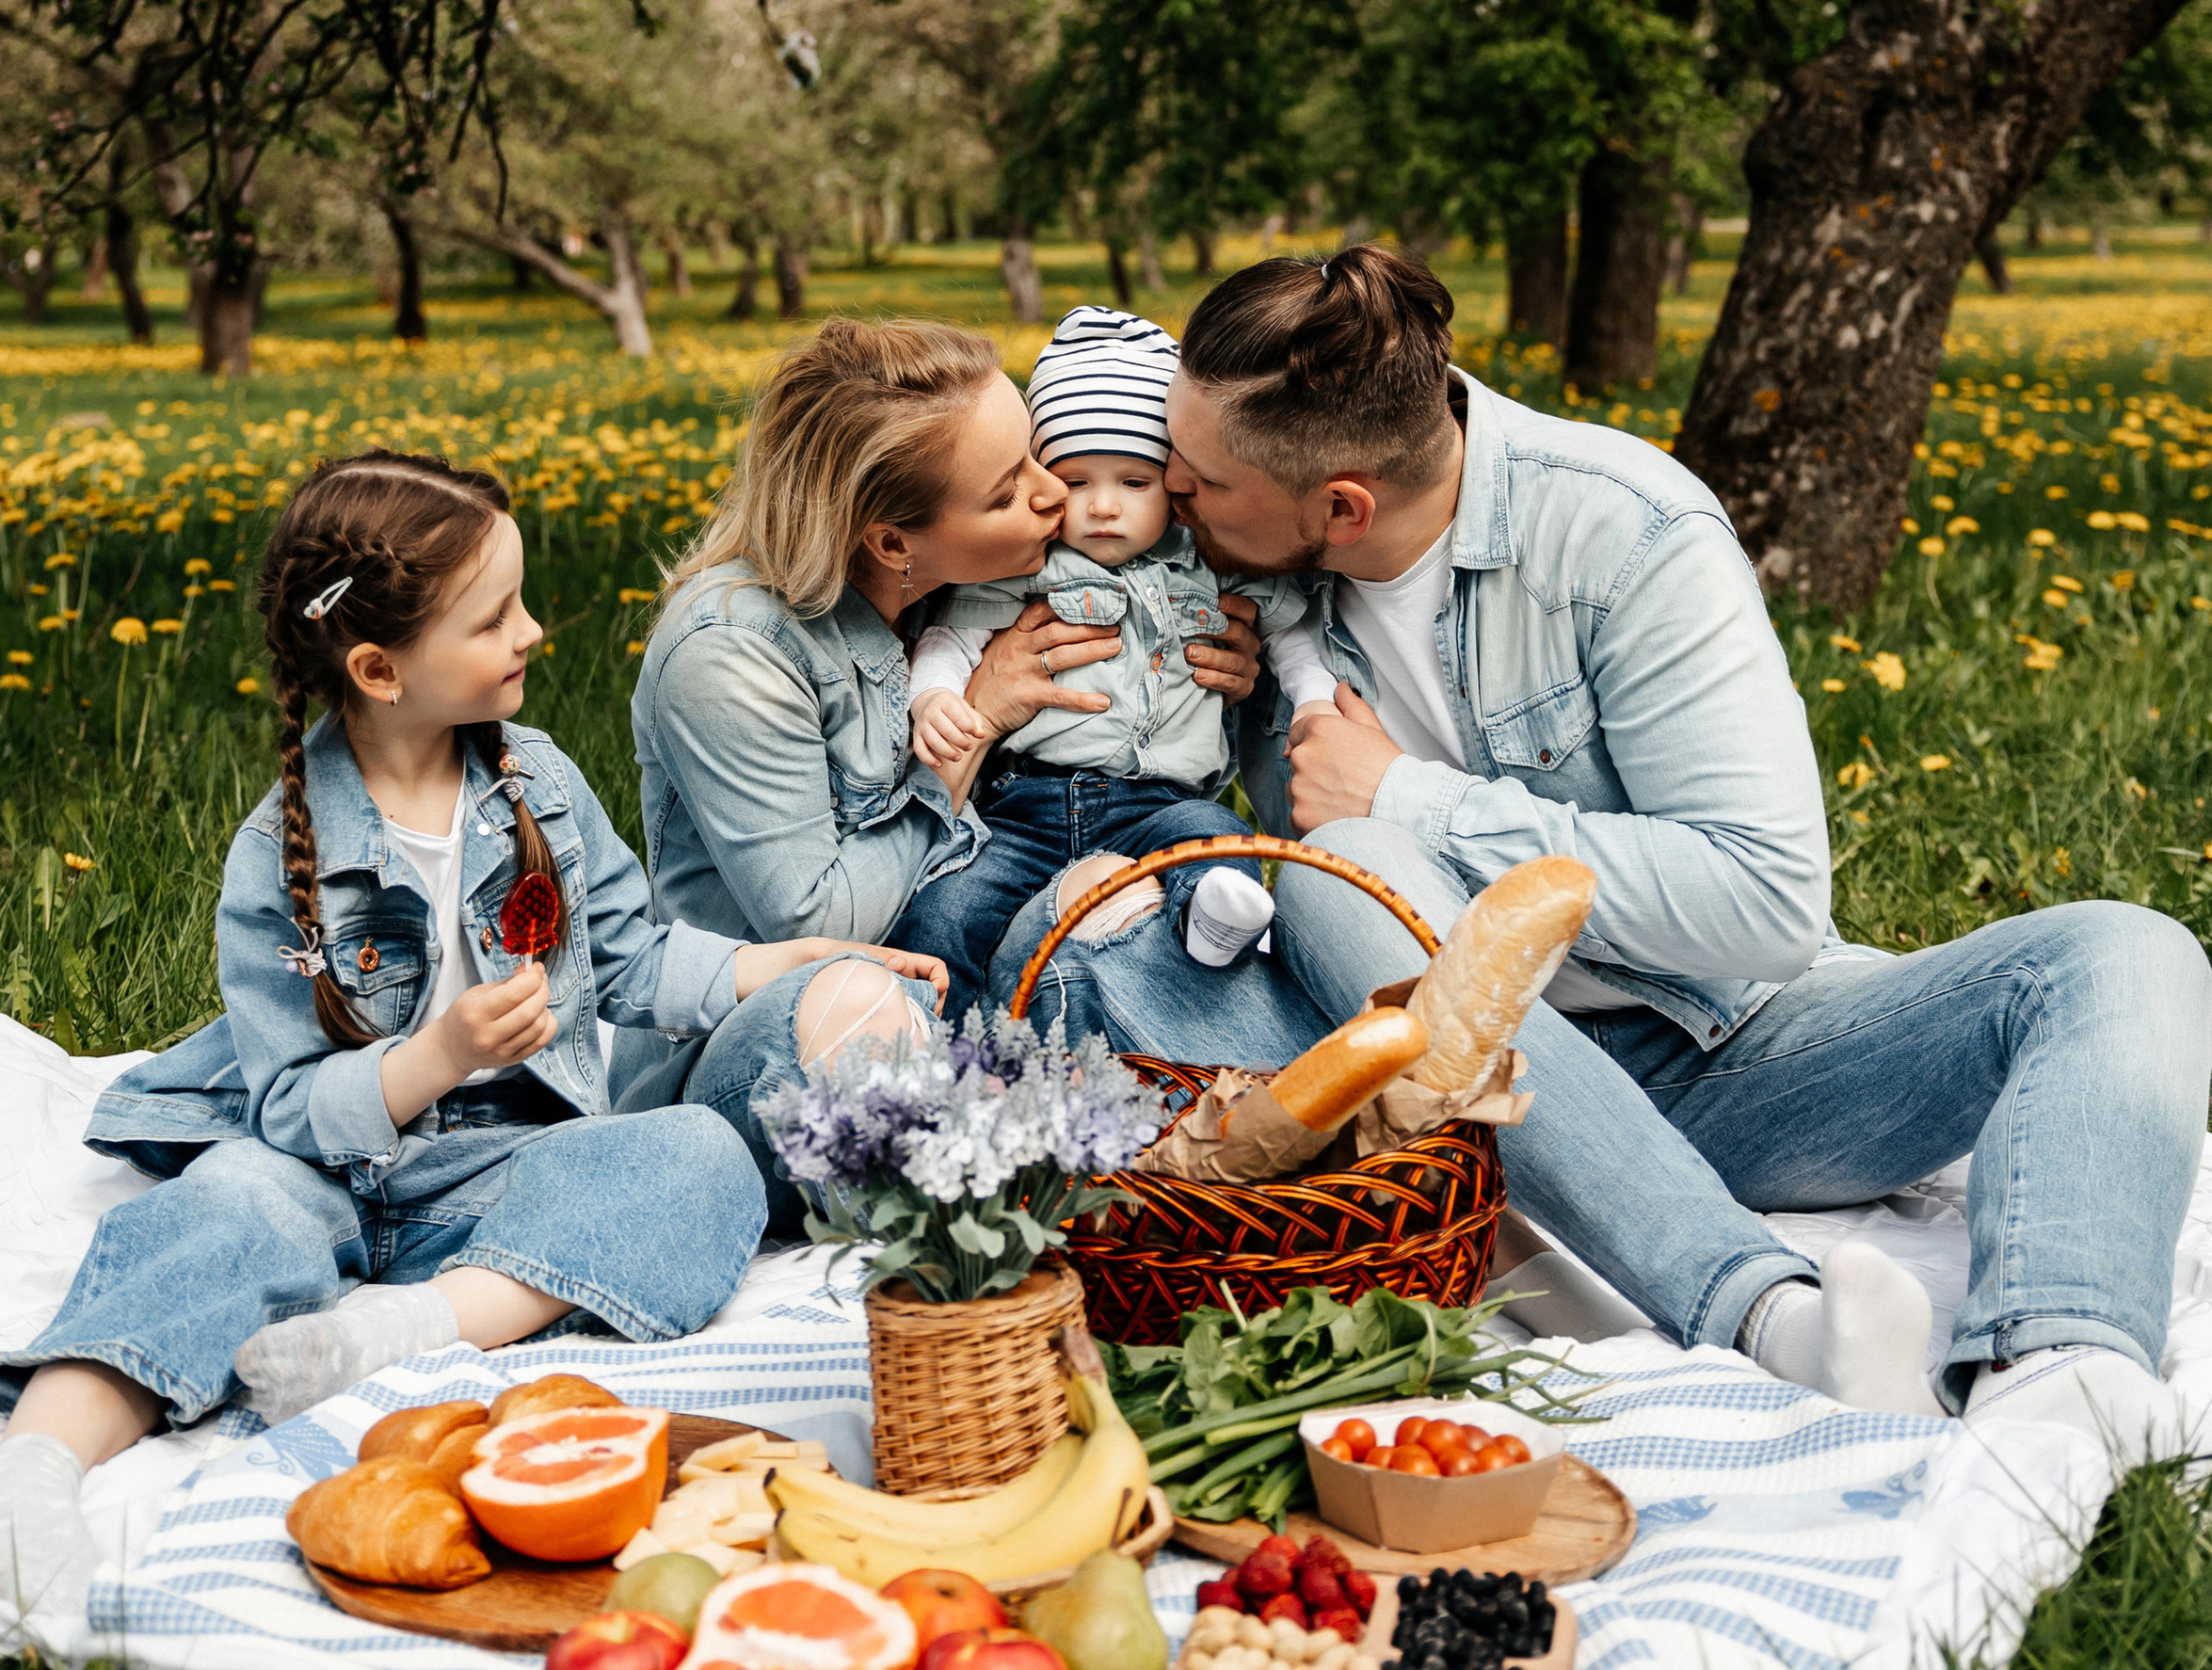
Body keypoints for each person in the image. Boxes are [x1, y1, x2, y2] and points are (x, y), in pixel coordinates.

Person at [1000, 249, 2212, 1469]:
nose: (1173, 503)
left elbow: (1767, 900)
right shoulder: (1229, 589)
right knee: (1204, 910)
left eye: (1196, 483)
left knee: (2127, 951)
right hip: (1427, 1104)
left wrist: (1411, 795)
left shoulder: (1625, 529)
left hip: (1728, 1053)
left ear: (1345, 504)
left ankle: (2063, 1375)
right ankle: (1765, 1315)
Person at [0, 447, 935, 1623]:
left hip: (499, 1168)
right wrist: (436, 1057)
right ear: (379, 668)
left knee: (695, 1160)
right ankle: (30, 1468)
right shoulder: (282, 853)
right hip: (328, 1164)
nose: (533, 633)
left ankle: (400, 1331)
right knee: (220, 1212)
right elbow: (287, 1105)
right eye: (495, 616)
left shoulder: (540, 787)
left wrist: (781, 963)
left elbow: (629, 956)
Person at [622, 316, 1265, 1163]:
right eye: (1007, 491)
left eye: (1037, 453)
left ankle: (1216, 1134)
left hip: (947, 984)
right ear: (890, 542)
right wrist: (980, 720)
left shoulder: (955, 590)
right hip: (784, 1047)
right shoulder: (734, 656)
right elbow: (826, 917)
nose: (1053, 496)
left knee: (1128, 902)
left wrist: (1203, 657)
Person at [902, 302, 1336, 993]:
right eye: (1076, 482)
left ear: (1173, 480)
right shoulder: (1030, 565)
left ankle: (1208, 925)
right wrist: (933, 695)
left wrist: (1315, 702)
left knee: (1217, 843)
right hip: (1023, 808)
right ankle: (944, 1047)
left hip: (1160, 805)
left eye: (1134, 482)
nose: (1104, 506)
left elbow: (1290, 632)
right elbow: (954, 634)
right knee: (945, 912)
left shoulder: (1210, 561)